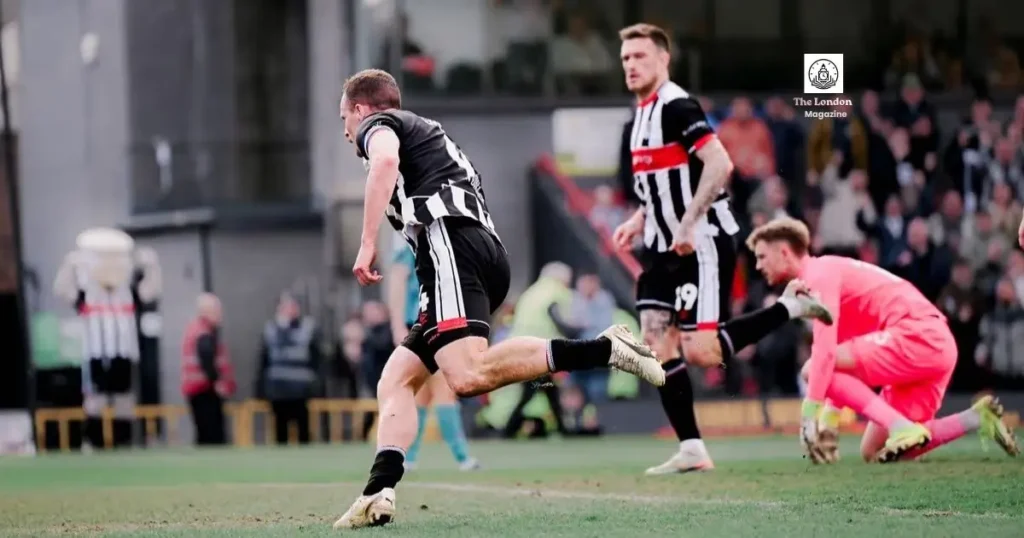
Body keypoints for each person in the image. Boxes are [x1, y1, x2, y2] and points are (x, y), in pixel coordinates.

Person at [335, 69, 664, 529]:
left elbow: (385, 164)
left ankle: (607, 348)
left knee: (467, 376)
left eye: (345, 118)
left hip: (449, 243)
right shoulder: (426, 134)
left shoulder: (382, 126)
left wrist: (367, 241)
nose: (347, 130)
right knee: (397, 378)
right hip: (465, 254)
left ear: (362, 108)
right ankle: (378, 491)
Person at [610, 23, 835, 475]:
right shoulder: (639, 116)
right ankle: (692, 447)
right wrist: (639, 218)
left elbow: (720, 162)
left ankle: (790, 307)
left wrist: (690, 222)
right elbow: (657, 182)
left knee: (702, 352)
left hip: (703, 240)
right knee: (656, 343)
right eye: (626, 58)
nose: (631, 65)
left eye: (640, 56)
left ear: (663, 60)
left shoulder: (677, 105)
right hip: (660, 244)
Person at [746, 217, 1018, 464]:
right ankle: (975, 418)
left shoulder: (818, 275)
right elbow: (841, 358)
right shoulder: (829, 273)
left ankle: (902, 427)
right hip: (933, 343)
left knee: (811, 368)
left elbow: (826, 356)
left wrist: (809, 417)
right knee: (872, 452)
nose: (757, 266)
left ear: (784, 252)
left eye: (761, 257)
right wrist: (829, 419)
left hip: (918, 334)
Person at [388, 233, 480, 471]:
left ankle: (407, 457)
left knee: (421, 395)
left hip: (435, 324)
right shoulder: (415, 246)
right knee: (443, 391)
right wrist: (397, 325)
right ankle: (462, 458)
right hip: (425, 325)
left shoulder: (438, 247)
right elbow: (397, 282)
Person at [256, 292, 321, 445]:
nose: (290, 310)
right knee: (280, 432)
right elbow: (263, 361)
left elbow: (317, 359)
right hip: (278, 390)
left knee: (303, 431)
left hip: (301, 390)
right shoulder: (271, 329)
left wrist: (316, 385)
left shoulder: (307, 328)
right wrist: (261, 389)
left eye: (292, 306)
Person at [180, 293, 236, 446]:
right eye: (217, 310)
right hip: (206, 391)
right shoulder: (203, 333)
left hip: (198, 390)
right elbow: (207, 360)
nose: (220, 314)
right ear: (206, 311)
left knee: (204, 434)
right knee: (212, 436)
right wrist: (218, 382)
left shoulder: (196, 329)